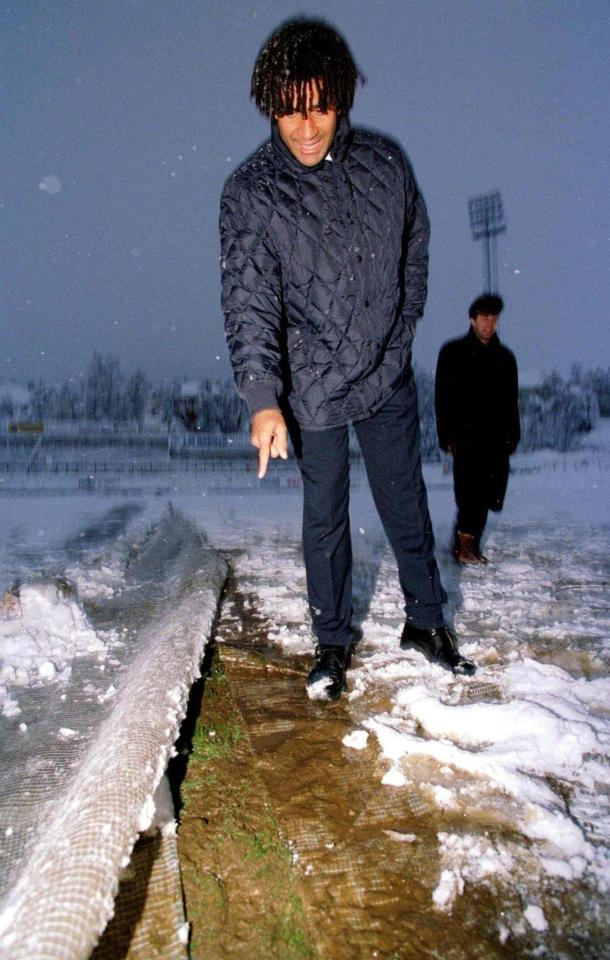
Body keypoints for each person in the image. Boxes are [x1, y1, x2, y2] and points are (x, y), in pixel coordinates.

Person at [220, 18, 475, 701]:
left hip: (385, 375)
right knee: (325, 518)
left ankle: (426, 624)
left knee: (406, 505)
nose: (305, 127)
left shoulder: (385, 166)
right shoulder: (250, 194)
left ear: (341, 99)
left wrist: (401, 332)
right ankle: (332, 643)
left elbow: (415, 248)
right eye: (289, 109)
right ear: (270, 105)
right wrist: (263, 396)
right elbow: (248, 301)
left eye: (320, 107)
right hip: (310, 394)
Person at [435, 294, 520, 564]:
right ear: (472, 320)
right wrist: (445, 434)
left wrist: (513, 435)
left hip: (496, 436)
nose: (489, 324)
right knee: (470, 491)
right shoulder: (453, 352)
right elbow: (442, 397)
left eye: (494, 318)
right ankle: (465, 545)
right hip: (466, 435)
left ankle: (467, 541)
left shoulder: (505, 358)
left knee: (491, 493)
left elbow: (511, 400)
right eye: (484, 318)